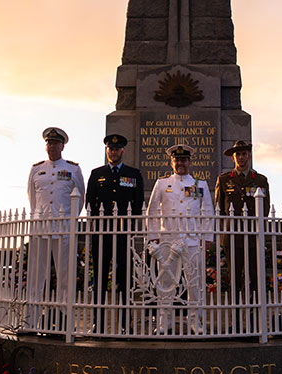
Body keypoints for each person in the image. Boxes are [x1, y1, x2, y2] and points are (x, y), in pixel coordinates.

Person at [146, 144, 214, 333]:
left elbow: (207, 211)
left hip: (192, 240)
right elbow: (152, 211)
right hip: (168, 238)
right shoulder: (162, 183)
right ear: (172, 162)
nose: (180, 163)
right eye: (177, 160)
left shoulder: (200, 184)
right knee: (166, 281)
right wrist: (153, 237)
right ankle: (164, 321)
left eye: (184, 160)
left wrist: (206, 237)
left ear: (190, 162)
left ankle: (195, 321)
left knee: (195, 282)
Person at [27, 127, 85, 306]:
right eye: (49, 143)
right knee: (36, 273)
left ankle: (63, 314)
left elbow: (80, 196)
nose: (52, 146)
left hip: (64, 228)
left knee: (65, 274)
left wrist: (70, 219)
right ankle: (32, 314)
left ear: (63, 146)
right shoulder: (36, 169)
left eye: (56, 143)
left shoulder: (72, 169)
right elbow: (32, 197)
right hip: (41, 227)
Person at [86, 134, 144, 309]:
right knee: (100, 276)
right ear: (107, 151)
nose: (113, 152)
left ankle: (126, 322)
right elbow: (90, 201)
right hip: (102, 232)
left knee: (124, 277)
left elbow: (138, 201)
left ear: (123, 151)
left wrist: (130, 224)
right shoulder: (97, 174)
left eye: (117, 149)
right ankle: (98, 322)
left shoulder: (133, 174)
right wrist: (96, 222)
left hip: (123, 232)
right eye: (110, 149)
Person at [214, 140, 270, 297]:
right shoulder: (224, 180)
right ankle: (236, 316)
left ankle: (254, 314)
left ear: (249, 156)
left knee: (255, 276)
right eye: (237, 154)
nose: (241, 157)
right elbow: (219, 208)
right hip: (232, 235)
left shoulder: (260, 180)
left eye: (244, 154)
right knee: (235, 278)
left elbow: (264, 208)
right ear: (233, 158)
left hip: (253, 235)